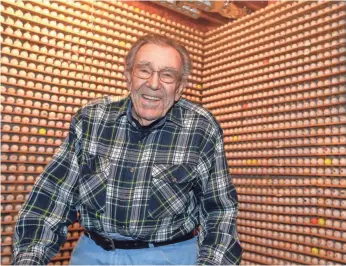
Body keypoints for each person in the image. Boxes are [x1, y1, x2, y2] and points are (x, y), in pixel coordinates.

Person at [12, 34, 242, 265]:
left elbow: (219, 211)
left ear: (180, 87)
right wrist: (29, 259)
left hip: (168, 255)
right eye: (144, 70)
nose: (154, 83)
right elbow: (52, 198)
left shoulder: (200, 128)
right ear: (128, 76)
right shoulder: (92, 120)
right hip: (94, 254)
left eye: (167, 75)